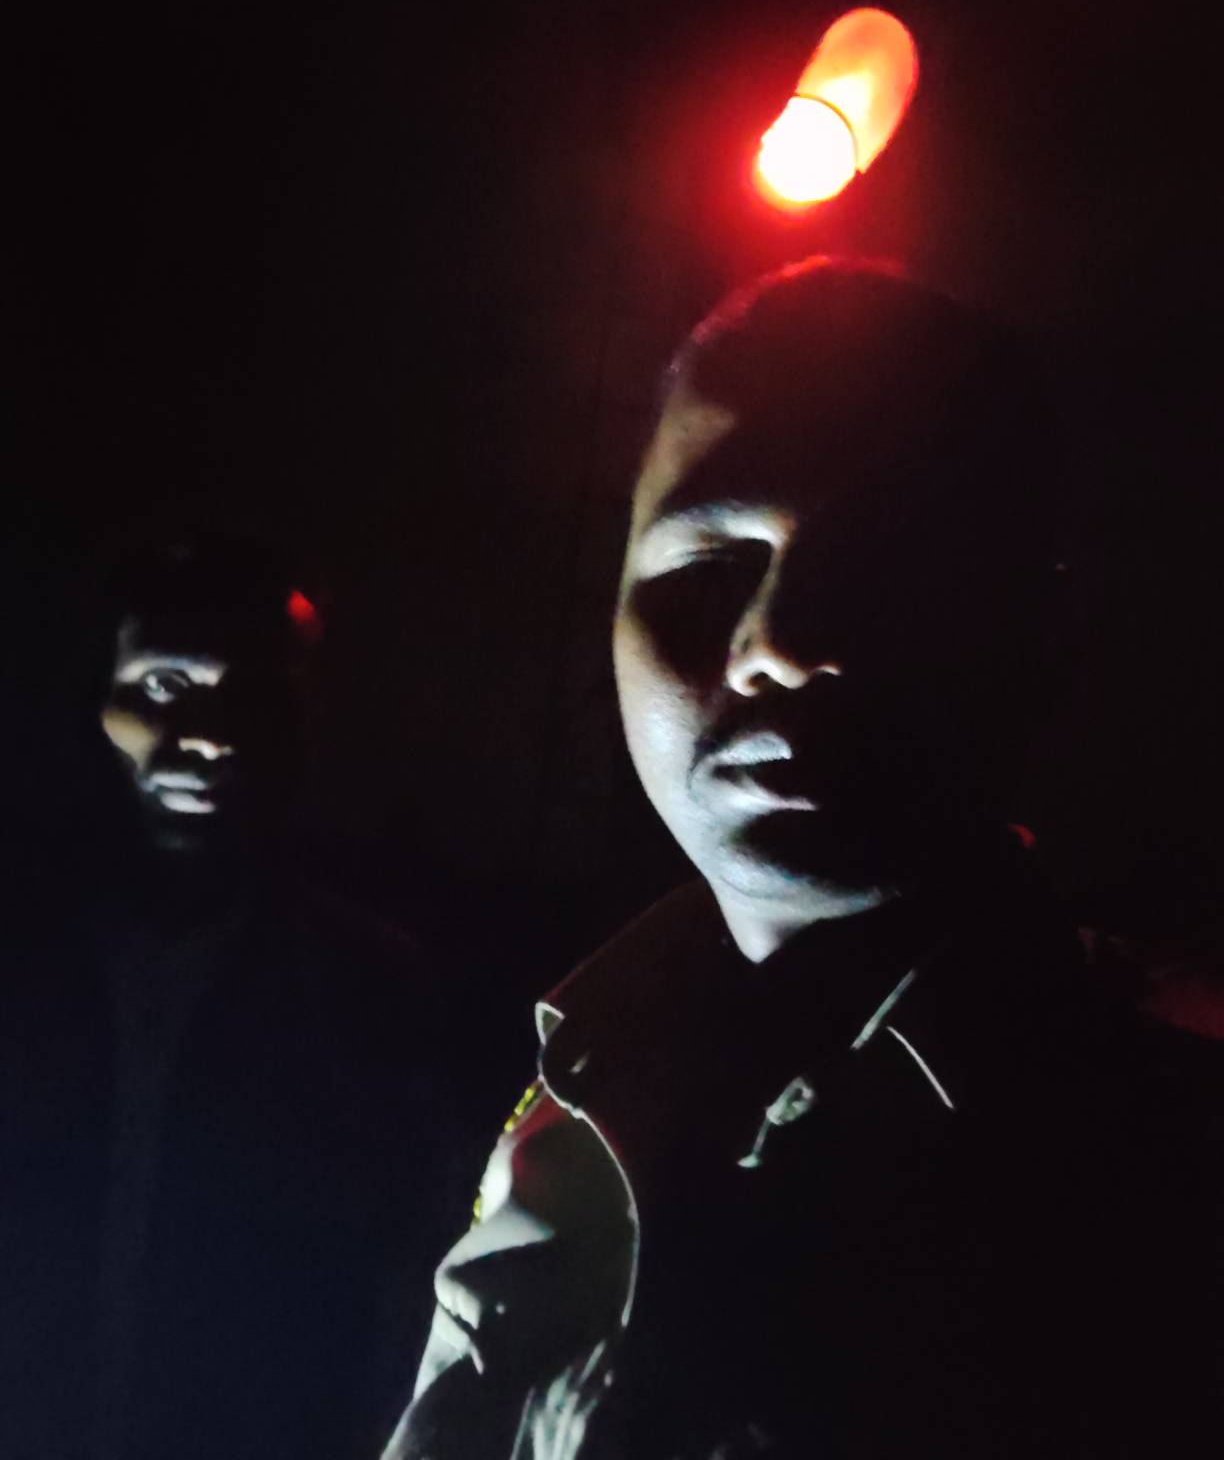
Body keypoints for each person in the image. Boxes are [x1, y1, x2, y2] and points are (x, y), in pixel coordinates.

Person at [385, 258, 1221, 1459]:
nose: (779, 639)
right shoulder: (574, 1072)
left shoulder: (1163, 1170)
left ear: (1044, 637)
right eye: (707, 569)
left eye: (894, 570)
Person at [0, 535, 460, 1460]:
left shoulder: (370, 989)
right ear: (90, 702)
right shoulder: (22, 958)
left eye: (249, 694)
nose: (211, 734)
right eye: (163, 686)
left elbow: (398, 1291)